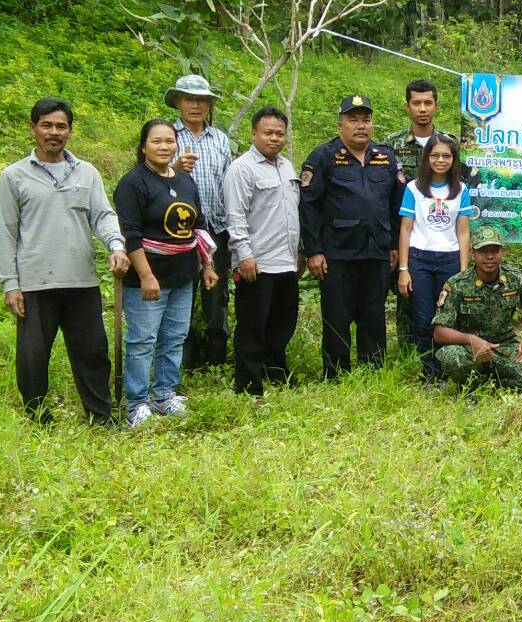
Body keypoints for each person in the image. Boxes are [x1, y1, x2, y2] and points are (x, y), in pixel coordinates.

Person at [0, 98, 129, 424]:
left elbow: (103, 216)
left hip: (81, 280)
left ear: (69, 131)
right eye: (47, 125)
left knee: (92, 352)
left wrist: (116, 246)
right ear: (33, 128)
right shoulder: (14, 176)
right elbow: (6, 232)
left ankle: (100, 416)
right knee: (33, 355)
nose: (54, 132)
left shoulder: (86, 172)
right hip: (35, 282)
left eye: (61, 126)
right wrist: (10, 284)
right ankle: (37, 416)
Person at [114, 119, 220, 427]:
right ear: (143, 146)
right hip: (148, 275)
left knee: (174, 336)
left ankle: (164, 394)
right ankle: (136, 403)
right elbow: (131, 234)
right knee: (142, 339)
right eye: (156, 141)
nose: (164, 147)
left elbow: (198, 225)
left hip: (183, 273)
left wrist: (207, 265)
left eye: (169, 141)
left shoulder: (185, 180)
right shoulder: (133, 183)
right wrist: (146, 276)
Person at [300, 93, 404, 379]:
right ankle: (336, 374)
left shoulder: (385, 157)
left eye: (366, 120)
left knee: (373, 315)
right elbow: (308, 205)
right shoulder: (323, 157)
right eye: (353, 120)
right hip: (337, 253)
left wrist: (394, 244)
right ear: (340, 125)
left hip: (376, 251)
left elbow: (396, 205)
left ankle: (373, 372)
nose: (361, 126)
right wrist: (313, 250)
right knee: (337, 316)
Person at [383, 78, 468, 347]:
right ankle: (409, 353)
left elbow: (459, 185)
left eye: (428, 103)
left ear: (436, 106)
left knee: (444, 306)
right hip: (406, 231)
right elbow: (385, 189)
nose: (422, 108)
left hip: (443, 236)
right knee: (408, 299)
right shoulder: (391, 143)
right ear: (407, 106)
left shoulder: (450, 142)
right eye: (416, 103)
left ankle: (441, 355)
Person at [223, 107, 300, 397]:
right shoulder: (241, 169)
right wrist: (244, 254)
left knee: (282, 323)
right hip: (257, 261)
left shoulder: (287, 167)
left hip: (286, 261)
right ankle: (248, 383)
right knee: (252, 325)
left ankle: (276, 373)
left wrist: (299, 252)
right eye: (268, 133)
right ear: (253, 134)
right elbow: (235, 216)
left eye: (280, 133)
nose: (274, 138)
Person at [166, 74, 235, 372]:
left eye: (201, 100)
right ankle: (183, 359)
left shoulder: (219, 139)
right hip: (177, 232)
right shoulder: (168, 136)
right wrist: (175, 167)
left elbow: (228, 183)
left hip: (216, 229)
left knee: (217, 296)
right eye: (189, 99)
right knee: (181, 294)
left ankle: (216, 358)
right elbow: (151, 177)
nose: (195, 105)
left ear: (209, 105)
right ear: (178, 102)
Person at [431, 226, 522, 392]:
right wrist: (472, 340)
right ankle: (476, 385)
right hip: (470, 350)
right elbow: (439, 332)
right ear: (473, 254)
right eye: (483, 251)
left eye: (495, 251)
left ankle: (495, 385)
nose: (489, 256)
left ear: (503, 252)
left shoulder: (515, 278)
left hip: (504, 348)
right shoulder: (457, 284)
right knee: (452, 356)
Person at [397, 134, 473, 383]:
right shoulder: (413, 188)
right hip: (419, 259)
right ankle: (429, 372)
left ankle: (446, 370)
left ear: (454, 159)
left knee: (446, 318)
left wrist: (463, 271)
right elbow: (405, 229)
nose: (441, 160)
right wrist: (404, 269)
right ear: (427, 158)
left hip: (450, 260)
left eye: (446, 156)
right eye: (435, 155)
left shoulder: (461, 189)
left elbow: (463, 231)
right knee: (422, 318)